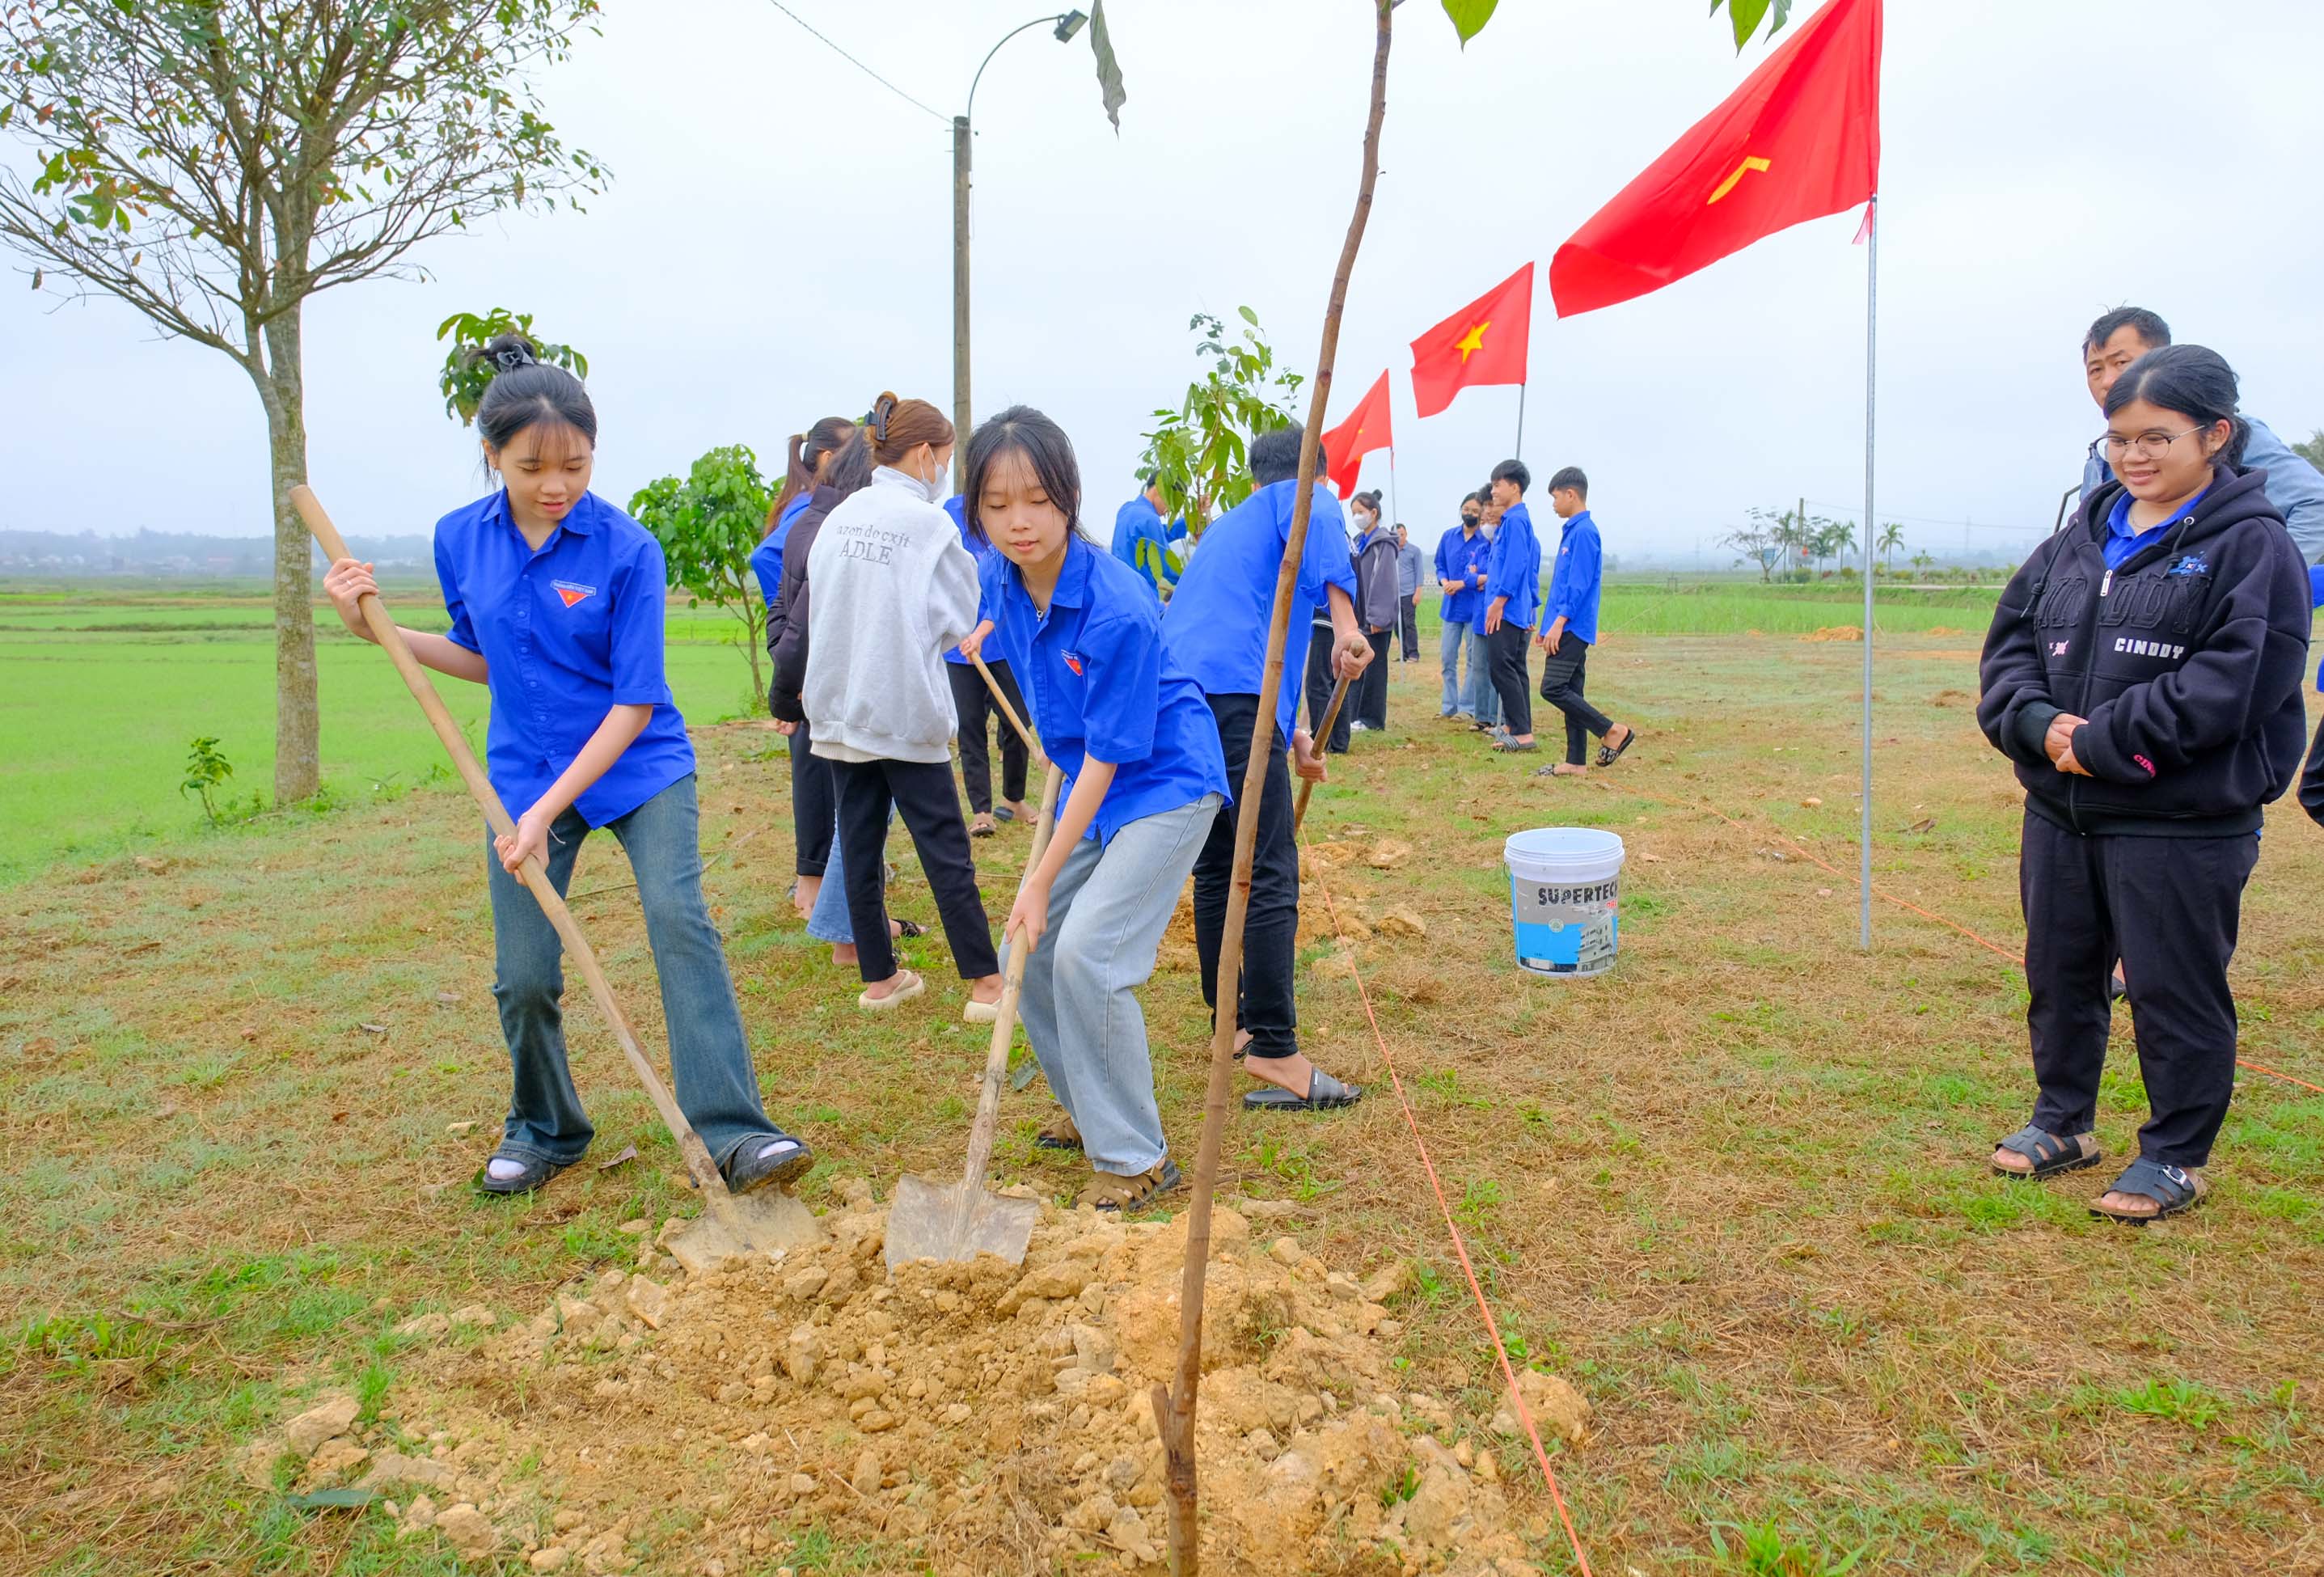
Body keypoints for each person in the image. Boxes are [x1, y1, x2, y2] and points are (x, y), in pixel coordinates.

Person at [320, 335, 813, 1198]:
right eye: (531, 466)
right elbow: (483, 656)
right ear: (491, 457)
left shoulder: (627, 550)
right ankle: (545, 1129)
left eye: (575, 465)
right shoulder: (458, 540)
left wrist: (549, 810)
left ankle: (737, 1134)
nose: (555, 484)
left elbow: (633, 703)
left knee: (677, 922)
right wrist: (376, 629)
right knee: (523, 974)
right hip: (521, 774)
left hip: (637, 768)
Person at [1979, 345, 2309, 1223]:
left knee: (2173, 988)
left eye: (2157, 437)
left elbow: (2235, 681)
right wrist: (2035, 726)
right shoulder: (2078, 537)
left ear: (2216, 436)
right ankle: (2064, 1122)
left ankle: (2176, 1154)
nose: (2135, 457)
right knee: (2060, 971)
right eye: (2120, 438)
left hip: (2180, 821)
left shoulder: (2253, 547)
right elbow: (2009, 649)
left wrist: (2104, 742)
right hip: (2062, 810)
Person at [960, 408, 1230, 1210]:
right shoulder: (1000, 578)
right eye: (998, 503)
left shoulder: (1118, 605)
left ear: (1070, 499)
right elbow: (1032, 652)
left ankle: (1138, 1160)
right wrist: (986, 634)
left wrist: (1039, 877)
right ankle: (1090, 1106)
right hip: (1089, 778)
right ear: (976, 509)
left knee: (1087, 953)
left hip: (1166, 783)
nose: (1019, 521)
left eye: (1037, 500)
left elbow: (1115, 758)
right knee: (1028, 956)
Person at [1164, 425, 1369, 1112]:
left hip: (1187, 700)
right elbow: (1332, 573)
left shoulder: (1233, 527)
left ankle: (1234, 1022)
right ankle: (1276, 1049)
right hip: (1231, 698)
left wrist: (1299, 735)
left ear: (1253, 477)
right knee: (1270, 867)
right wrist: (1347, 631)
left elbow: (1272, 630)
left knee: (1220, 865)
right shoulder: (1306, 497)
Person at [781, 391, 1005, 1020]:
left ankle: (880, 979)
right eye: (946, 459)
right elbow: (959, 613)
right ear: (929, 454)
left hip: (840, 705)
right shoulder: (929, 524)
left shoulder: (842, 515)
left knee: (857, 842)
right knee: (944, 847)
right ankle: (986, 984)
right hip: (902, 704)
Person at [766, 432, 923, 969]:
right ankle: (846, 932)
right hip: (838, 696)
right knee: (861, 814)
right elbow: (793, 624)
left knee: (861, 814)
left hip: (837, 692)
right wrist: (792, 693)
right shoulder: (831, 530)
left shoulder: (823, 521)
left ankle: (854, 926)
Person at [2079, 307, 2324, 563]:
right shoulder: (2101, 458)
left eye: (2122, 363)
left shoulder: (2225, 433)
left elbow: (2316, 504)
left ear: (2160, 360)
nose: (2108, 381)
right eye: (2095, 369)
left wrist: (2263, 576)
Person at [754, 416, 855, 920]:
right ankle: (812, 884)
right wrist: (794, 631)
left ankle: (827, 878)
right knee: (814, 768)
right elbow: (768, 559)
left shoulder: (816, 500)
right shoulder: (813, 509)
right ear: (828, 459)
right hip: (809, 655)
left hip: (807, 652)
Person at [1532, 467, 1637, 777]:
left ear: (1570, 494)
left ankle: (1612, 731)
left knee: (1552, 688)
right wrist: (1547, 626)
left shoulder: (1585, 533)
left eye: (1554, 498)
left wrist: (1560, 622)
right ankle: (1576, 761)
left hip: (1574, 625)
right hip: (1563, 623)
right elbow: (1560, 586)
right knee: (1571, 690)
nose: (1553, 505)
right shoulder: (1572, 532)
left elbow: (1577, 586)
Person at [941, 493, 1032, 838]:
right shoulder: (949, 514)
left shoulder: (1009, 516)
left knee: (1016, 720)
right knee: (971, 727)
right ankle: (981, 811)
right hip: (960, 649)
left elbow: (1013, 588)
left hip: (1002, 642)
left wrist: (982, 630)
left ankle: (1014, 800)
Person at [1481, 460, 1543, 753]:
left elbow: (1518, 565)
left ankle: (1521, 732)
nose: (1493, 490)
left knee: (1502, 667)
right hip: (1513, 607)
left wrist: (1500, 602)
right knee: (1514, 668)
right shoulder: (1514, 520)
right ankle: (1515, 726)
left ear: (1514, 487)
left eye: (1498, 484)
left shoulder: (1516, 521)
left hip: (1506, 608)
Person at [1350, 490, 1399, 732]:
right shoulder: (1360, 541)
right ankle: (1355, 714)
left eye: (1360, 512)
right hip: (1360, 615)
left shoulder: (1383, 544)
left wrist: (1378, 616)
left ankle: (1372, 718)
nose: (1357, 517)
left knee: (1375, 669)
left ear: (1374, 513)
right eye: (1354, 513)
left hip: (1376, 617)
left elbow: (1385, 581)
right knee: (1358, 666)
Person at [1435, 496, 1488, 719]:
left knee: (1472, 659)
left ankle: (1467, 707)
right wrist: (1445, 582)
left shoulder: (1485, 541)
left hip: (1474, 608)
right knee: (1447, 657)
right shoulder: (1449, 536)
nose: (1470, 513)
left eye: (1475, 510)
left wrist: (1463, 583)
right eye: (1466, 509)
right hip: (1451, 607)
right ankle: (1449, 705)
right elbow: (1440, 565)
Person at [1112, 472, 1189, 598]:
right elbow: (1167, 566)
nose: (1167, 512)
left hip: (1119, 592)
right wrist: (1194, 580)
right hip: (1139, 597)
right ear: (1160, 489)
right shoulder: (1150, 519)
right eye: (1171, 504)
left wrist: (1188, 521)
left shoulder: (1126, 509)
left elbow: (1157, 534)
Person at [1467, 489, 1502, 732]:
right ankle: (1482, 717)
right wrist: (1481, 578)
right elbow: (1467, 578)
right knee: (1478, 666)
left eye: (1491, 508)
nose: (1487, 517)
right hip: (1480, 616)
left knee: (1498, 669)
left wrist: (1479, 578)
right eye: (1484, 512)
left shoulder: (1505, 543)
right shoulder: (1481, 549)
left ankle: (1498, 717)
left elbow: (1501, 578)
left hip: (1499, 615)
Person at [1394, 523, 1426, 661]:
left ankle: (1413, 653)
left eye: (1402, 534)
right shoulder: (1390, 551)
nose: (1399, 537)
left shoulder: (1414, 551)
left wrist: (1418, 591)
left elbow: (1419, 572)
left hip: (1409, 594)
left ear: (1406, 534)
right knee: (1397, 625)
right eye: (1396, 535)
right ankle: (1404, 653)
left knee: (1409, 623)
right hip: (1394, 595)